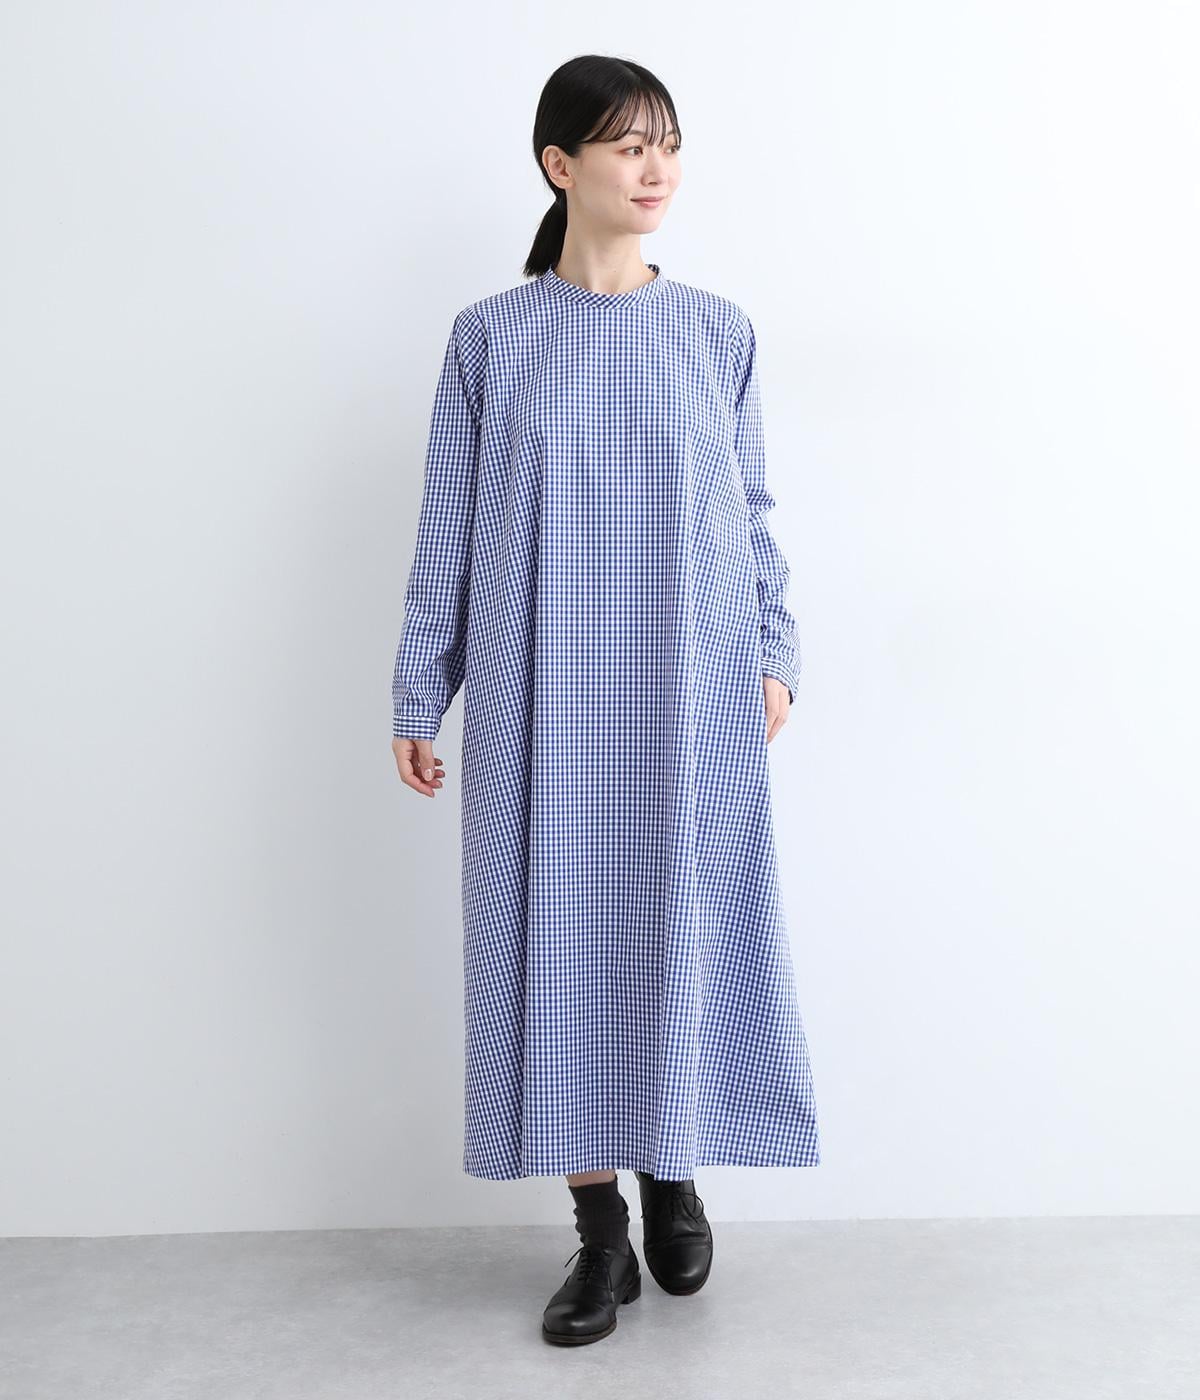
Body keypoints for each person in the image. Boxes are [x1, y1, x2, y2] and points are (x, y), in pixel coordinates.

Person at [390, 54, 820, 1346]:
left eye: (668, 144)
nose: (656, 168)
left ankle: (674, 1172)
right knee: (556, 943)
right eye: (629, 145)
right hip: (538, 693)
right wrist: (420, 689)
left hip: (691, 688)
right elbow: (449, 526)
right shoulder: (491, 336)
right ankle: (599, 1236)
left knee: (676, 922)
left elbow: (751, 511)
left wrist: (777, 650)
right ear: (559, 164)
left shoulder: (717, 330)